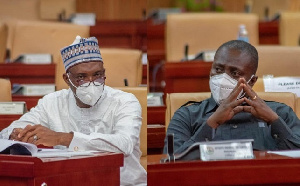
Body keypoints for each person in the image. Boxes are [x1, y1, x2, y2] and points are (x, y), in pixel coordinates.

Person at [0, 36, 147, 185]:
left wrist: (63, 138)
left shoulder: (125, 101)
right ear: (66, 79)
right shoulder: (52, 103)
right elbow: (8, 131)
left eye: (97, 75)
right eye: (81, 77)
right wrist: (15, 134)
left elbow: (125, 143)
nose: (91, 83)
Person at [164, 40, 300, 155]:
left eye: (234, 73)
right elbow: (171, 161)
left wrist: (274, 121)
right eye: (218, 69)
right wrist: (212, 123)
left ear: (251, 81)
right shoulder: (187, 115)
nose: (223, 78)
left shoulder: (281, 113)